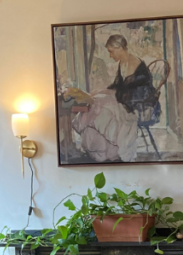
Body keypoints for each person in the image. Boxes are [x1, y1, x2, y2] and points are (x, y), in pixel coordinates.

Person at [66, 34, 158, 162]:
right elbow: (118, 86)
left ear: (119, 47)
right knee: (98, 99)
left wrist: (109, 97)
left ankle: (106, 149)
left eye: (111, 52)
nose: (110, 55)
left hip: (137, 105)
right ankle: (100, 149)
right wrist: (103, 91)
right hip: (126, 100)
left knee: (102, 107)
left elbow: (136, 93)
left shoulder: (133, 64)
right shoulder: (123, 62)